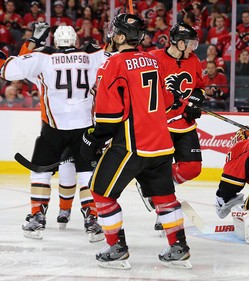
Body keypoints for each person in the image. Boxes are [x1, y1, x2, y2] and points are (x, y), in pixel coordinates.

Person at [80, 13, 191, 269]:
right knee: (164, 197)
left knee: (100, 192)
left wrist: (93, 139)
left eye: (114, 31)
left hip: (131, 145)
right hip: (162, 144)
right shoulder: (152, 60)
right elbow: (166, 102)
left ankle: (116, 248)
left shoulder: (112, 64)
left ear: (120, 36)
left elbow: (109, 117)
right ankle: (179, 246)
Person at [0, 22, 111, 241]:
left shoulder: (43, 58)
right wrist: (111, 39)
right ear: (75, 41)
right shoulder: (92, 55)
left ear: (55, 41)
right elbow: (117, 57)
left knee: (40, 171)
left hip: (53, 128)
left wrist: (33, 42)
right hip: (85, 127)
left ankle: (37, 216)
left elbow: (8, 70)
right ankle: (92, 217)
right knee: (87, 174)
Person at [145, 22, 205, 234]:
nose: (193, 48)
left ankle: (152, 186)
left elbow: (199, 87)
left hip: (185, 124)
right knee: (161, 169)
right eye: (190, 43)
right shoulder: (153, 58)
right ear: (179, 43)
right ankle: (164, 213)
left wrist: (196, 101)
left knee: (192, 168)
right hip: (160, 125)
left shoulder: (193, 60)